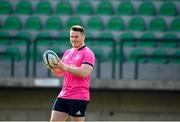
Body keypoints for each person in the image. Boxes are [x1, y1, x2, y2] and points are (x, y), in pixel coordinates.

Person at [48, 25, 96, 122]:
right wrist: (52, 66)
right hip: (64, 94)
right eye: (71, 37)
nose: (73, 39)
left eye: (76, 37)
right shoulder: (67, 52)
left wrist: (65, 67)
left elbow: (84, 72)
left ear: (83, 37)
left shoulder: (88, 53)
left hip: (79, 96)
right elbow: (59, 73)